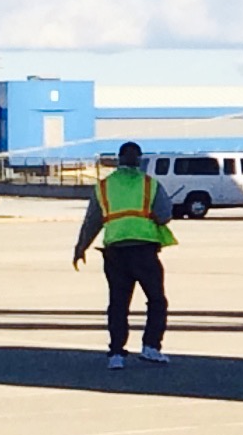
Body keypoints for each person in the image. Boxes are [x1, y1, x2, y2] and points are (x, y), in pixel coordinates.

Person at [71, 142, 176, 369]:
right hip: (144, 250)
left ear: (119, 159)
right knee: (156, 300)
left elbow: (92, 221)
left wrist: (81, 247)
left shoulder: (104, 187)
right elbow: (165, 214)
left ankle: (116, 354)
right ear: (139, 159)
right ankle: (151, 347)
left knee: (118, 303)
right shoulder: (150, 184)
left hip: (115, 251)